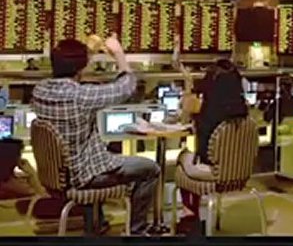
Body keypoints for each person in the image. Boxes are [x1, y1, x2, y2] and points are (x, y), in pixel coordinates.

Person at [32, 35, 159, 236]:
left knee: (94, 156)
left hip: (58, 175)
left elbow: (71, 74)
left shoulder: (39, 91)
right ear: (81, 68)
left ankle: (97, 224)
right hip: (84, 176)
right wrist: (118, 53)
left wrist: (88, 52)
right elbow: (126, 87)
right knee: (150, 169)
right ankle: (137, 230)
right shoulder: (81, 96)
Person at [178, 60, 249, 231]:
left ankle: (190, 213)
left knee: (183, 157)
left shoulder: (208, 112)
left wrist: (190, 90)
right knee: (193, 160)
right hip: (240, 174)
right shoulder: (245, 113)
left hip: (214, 173)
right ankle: (191, 215)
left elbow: (201, 149)